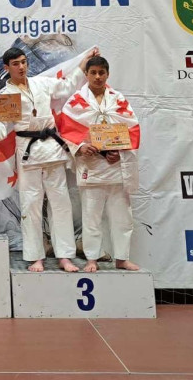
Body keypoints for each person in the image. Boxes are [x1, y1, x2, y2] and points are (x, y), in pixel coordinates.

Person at [0, 47, 97, 272]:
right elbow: (1, 131)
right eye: (16, 64)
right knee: (30, 205)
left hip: (52, 149)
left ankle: (64, 256)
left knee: (61, 204)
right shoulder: (5, 96)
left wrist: (84, 61)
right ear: (6, 68)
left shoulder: (41, 83)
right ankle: (35, 257)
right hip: (28, 153)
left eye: (23, 62)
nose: (21, 67)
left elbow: (67, 86)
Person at [58, 56, 140, 272]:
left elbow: (132, 128)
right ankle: (92, 258)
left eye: (101, 72)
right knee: (91, 217)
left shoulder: (118, 99)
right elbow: (66, 130)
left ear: (107, 74)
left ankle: (122, 258)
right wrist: (80, 147)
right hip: (91, 166)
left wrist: (120, 153)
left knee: (122, 217)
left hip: (116, 168)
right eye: (93, 72)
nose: (97, 77)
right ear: (86, 74)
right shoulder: (76, 100)